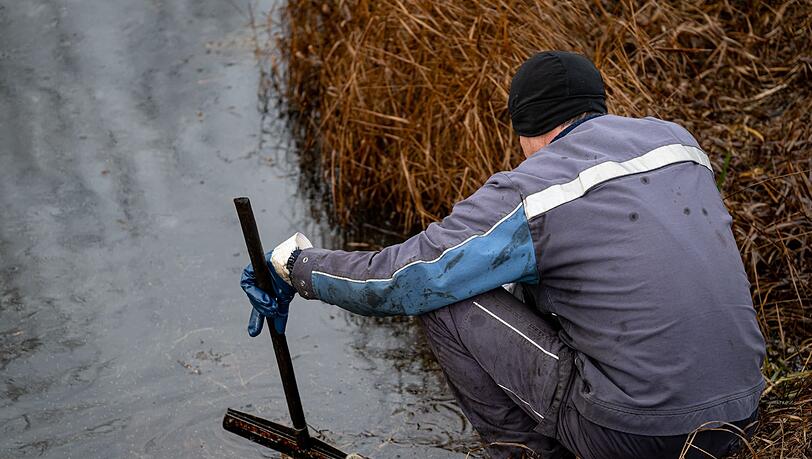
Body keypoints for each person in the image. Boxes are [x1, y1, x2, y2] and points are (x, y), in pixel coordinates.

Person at [240, 51, 766, 459]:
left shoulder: (537, 187)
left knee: (443, 300)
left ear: (523, 126)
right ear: (597, 105)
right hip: (738, 414)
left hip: (636, 435)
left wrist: (296, 267)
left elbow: (406, 279)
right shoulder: (678, 145)